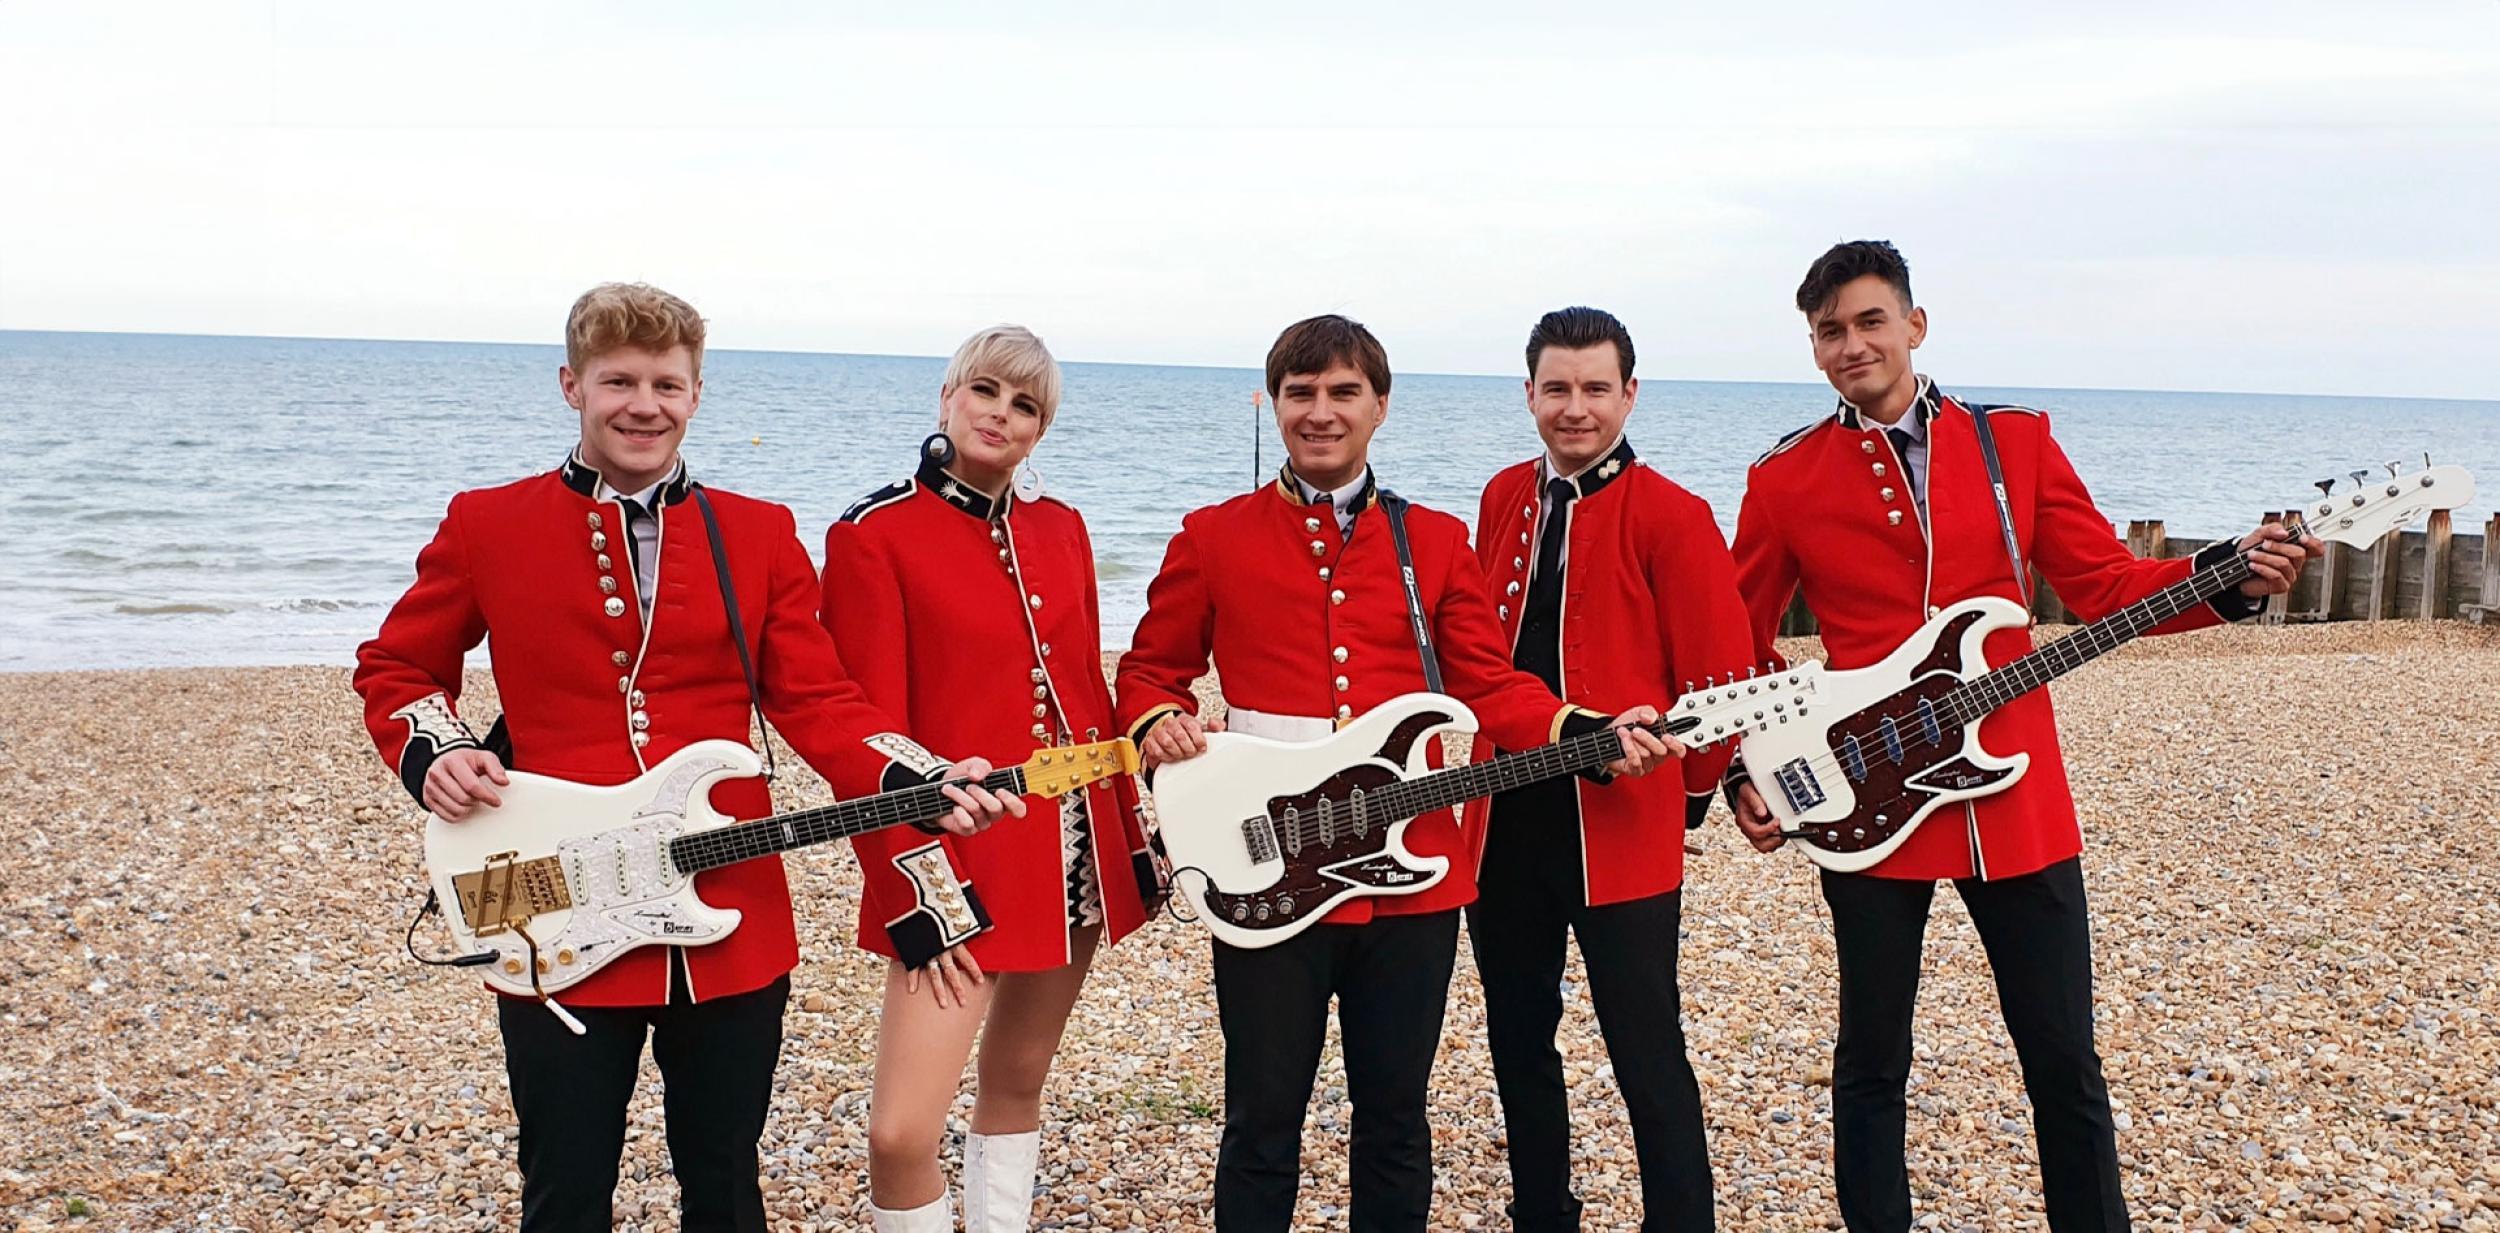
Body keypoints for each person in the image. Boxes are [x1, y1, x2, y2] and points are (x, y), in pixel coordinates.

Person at [353, 283, 1019, 1233]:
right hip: (549, 896)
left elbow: (820, 701)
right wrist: (439, 752)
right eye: (617, 379)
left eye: (667, 383)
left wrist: (916, 772)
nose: (642, 403)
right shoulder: (486, 522)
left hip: (732, 907)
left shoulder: (759, 532)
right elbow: (399, 665)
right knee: (563, 1185)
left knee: (724, 1183)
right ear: (570, 385)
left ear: (696, 396)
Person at [1725, 241, 2317, 1232]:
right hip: (1867, 803)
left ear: (1914, 326)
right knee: (1871, 1061)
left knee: (2062, 1060)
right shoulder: (1786, 477)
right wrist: (1756, 768)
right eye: (1829, 330)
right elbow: (1733, 638)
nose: (1850, 344)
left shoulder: (2016, 443)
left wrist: (2228, 577)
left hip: (2014, 800)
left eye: (1870, 321)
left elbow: (2102, 587)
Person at [1113, 314, 1677, 1233]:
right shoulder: (1213, 534)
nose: (1322, 413)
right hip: (1263, 866)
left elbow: (1489, 685)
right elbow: (1145, 670)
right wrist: (1158, 719)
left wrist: (1586, 728)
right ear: (1276, 402)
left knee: (1395, 1121)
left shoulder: (1438, 540)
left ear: (1380, 405)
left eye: (1343, 393)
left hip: (1410, 880)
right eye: (1302, 393)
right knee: (1260, 1122)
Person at [820, 325, 1166, 1233]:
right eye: (985, 392)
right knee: (900, 1132)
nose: (1000, 416)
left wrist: (1140, 817)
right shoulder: (871, 534)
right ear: (947, 397)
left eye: (1025, 406)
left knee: (1016, 1084)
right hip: (958, 858)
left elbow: (1086, 688)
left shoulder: (1063, 527)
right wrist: (912, 889)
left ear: (1039, 429)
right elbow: (863, 741)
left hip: (1080, 844)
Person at [1461, 306, 1757, 1231]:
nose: (1576, 408)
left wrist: (1697, 795)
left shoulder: (1674, 513)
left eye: (1596, 388)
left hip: (1622, 826)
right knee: (1517, 1037)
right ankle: (1542, 1213)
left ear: (1630, 393)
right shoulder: (1502, 493)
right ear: (1530, 394)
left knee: (1644, 1044)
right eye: (1558, 388)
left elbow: (1723, 677)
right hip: (1503, 813)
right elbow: (1478, 659)